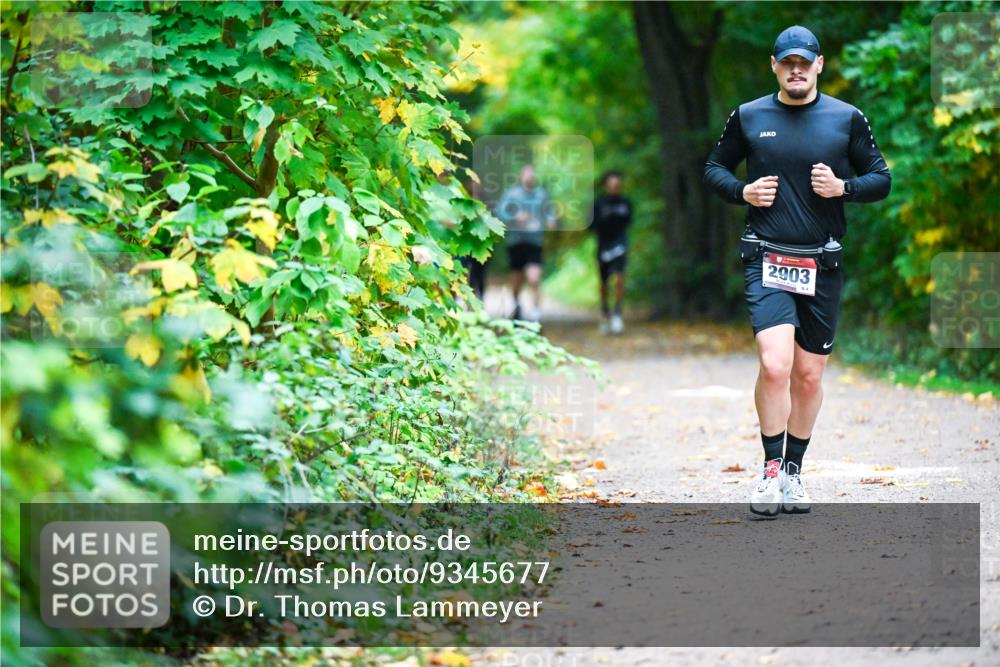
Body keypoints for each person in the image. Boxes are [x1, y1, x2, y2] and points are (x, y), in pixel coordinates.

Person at [703, 25, 891, 518]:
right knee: (775, 364)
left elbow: (881, 178)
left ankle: (793, 473)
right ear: (774, 66)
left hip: (821, 261)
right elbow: (714, 169)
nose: (795, 70)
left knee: (808, 377)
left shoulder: (846, 119)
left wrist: (843, 189)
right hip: (766, 256)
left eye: (804, 63)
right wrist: (741, 192)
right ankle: (768, 471)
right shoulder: (749, 116)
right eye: (787, 63)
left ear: (818, 66)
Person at [495, 164, 557, 321]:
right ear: (521, 176)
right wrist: (515, 216)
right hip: (516, 241)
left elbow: (549, 211)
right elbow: (500, 211)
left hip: (535, 241)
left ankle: (536, 313)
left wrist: (551, 220)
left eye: (532, 175)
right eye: (527, 174)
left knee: (534, 278)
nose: (530, 177)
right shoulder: (512, 194)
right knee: (517, 279)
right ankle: (516, 305)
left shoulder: (542, 195)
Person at [589, 170, 632, 335]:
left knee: (620, 278)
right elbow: (591, 227)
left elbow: (628, 222)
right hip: (603, 246)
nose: (614, 186)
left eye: (617, 183)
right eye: (611, 183)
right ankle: (605, 312)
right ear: (606, 185)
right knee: (604, 282)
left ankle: (618, 313)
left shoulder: (626, 203)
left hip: (620, 245)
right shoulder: (599, 204)